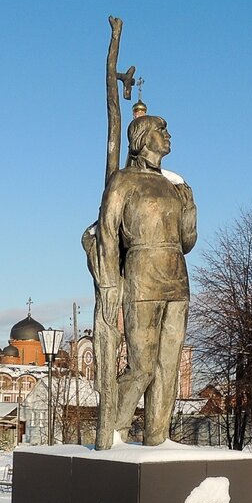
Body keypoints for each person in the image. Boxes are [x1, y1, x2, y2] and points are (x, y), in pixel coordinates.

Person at [92, 114, 196, 447]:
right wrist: (109, 281)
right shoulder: (123, 181)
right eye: (161, 130)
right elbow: (107, 232)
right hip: (141, 277)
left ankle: (157, 437)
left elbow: (187, 241)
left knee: (169, 367)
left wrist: (190, 208)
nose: (168, 135)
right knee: (142, 366)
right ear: (142, 137)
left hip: (176, 278)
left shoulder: (172, 185)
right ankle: (114, 431)